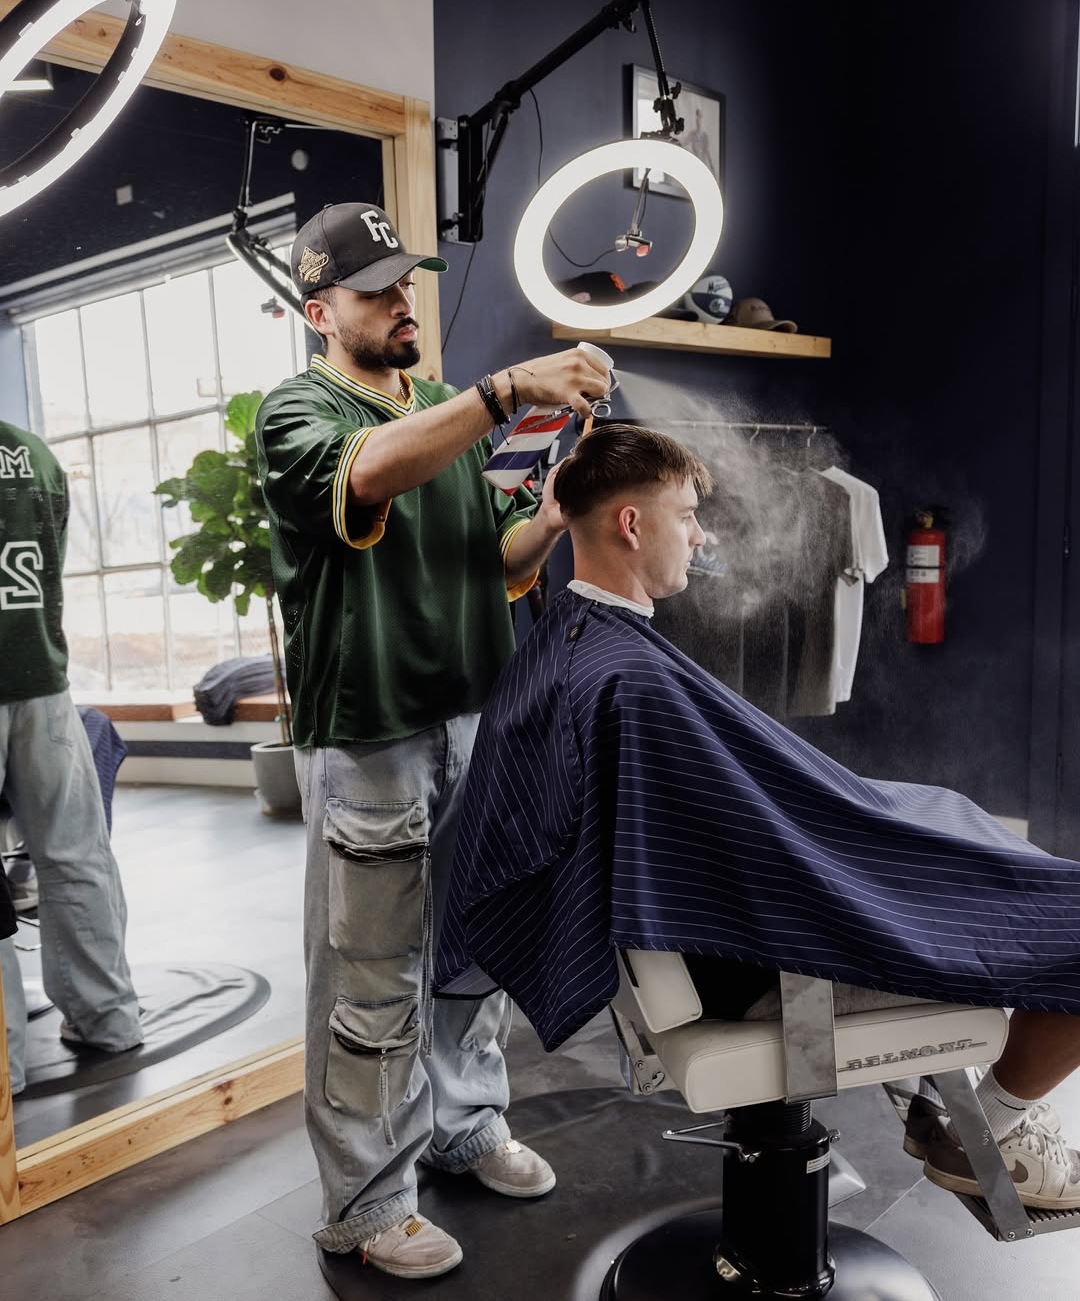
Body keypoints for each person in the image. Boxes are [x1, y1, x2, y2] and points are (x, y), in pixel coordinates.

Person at [437, 422, 1080, 1213]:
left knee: (943, 819)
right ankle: (988, 1130)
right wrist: (874, 842)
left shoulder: (570, 646)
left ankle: (957, 1103)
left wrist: (863, 812)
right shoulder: (628, 681)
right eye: (685, 514)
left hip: (715, 932)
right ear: (632, 526)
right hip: (757, 955)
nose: (699, 534)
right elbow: (770, 849)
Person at [255, 201, 609, 1280]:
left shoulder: (438, 410)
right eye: (374, 289)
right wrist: (503, 394)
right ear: (320, 311)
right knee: (371, 977)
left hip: (474, 714)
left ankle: (461, 1127)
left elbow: (488, 558)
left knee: (463, 955)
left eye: (404, 281)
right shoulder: (297, 412)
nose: (401, 299)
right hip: (370, 732)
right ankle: (366, 1206)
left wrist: (549, 517)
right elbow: (366, 476)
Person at [0, 420, 143, 1096]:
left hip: (35, 683)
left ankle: (3, 1061)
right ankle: (107, 1019)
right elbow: (52, 559)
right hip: (42, 682)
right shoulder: (31, 453)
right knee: (75, 855)